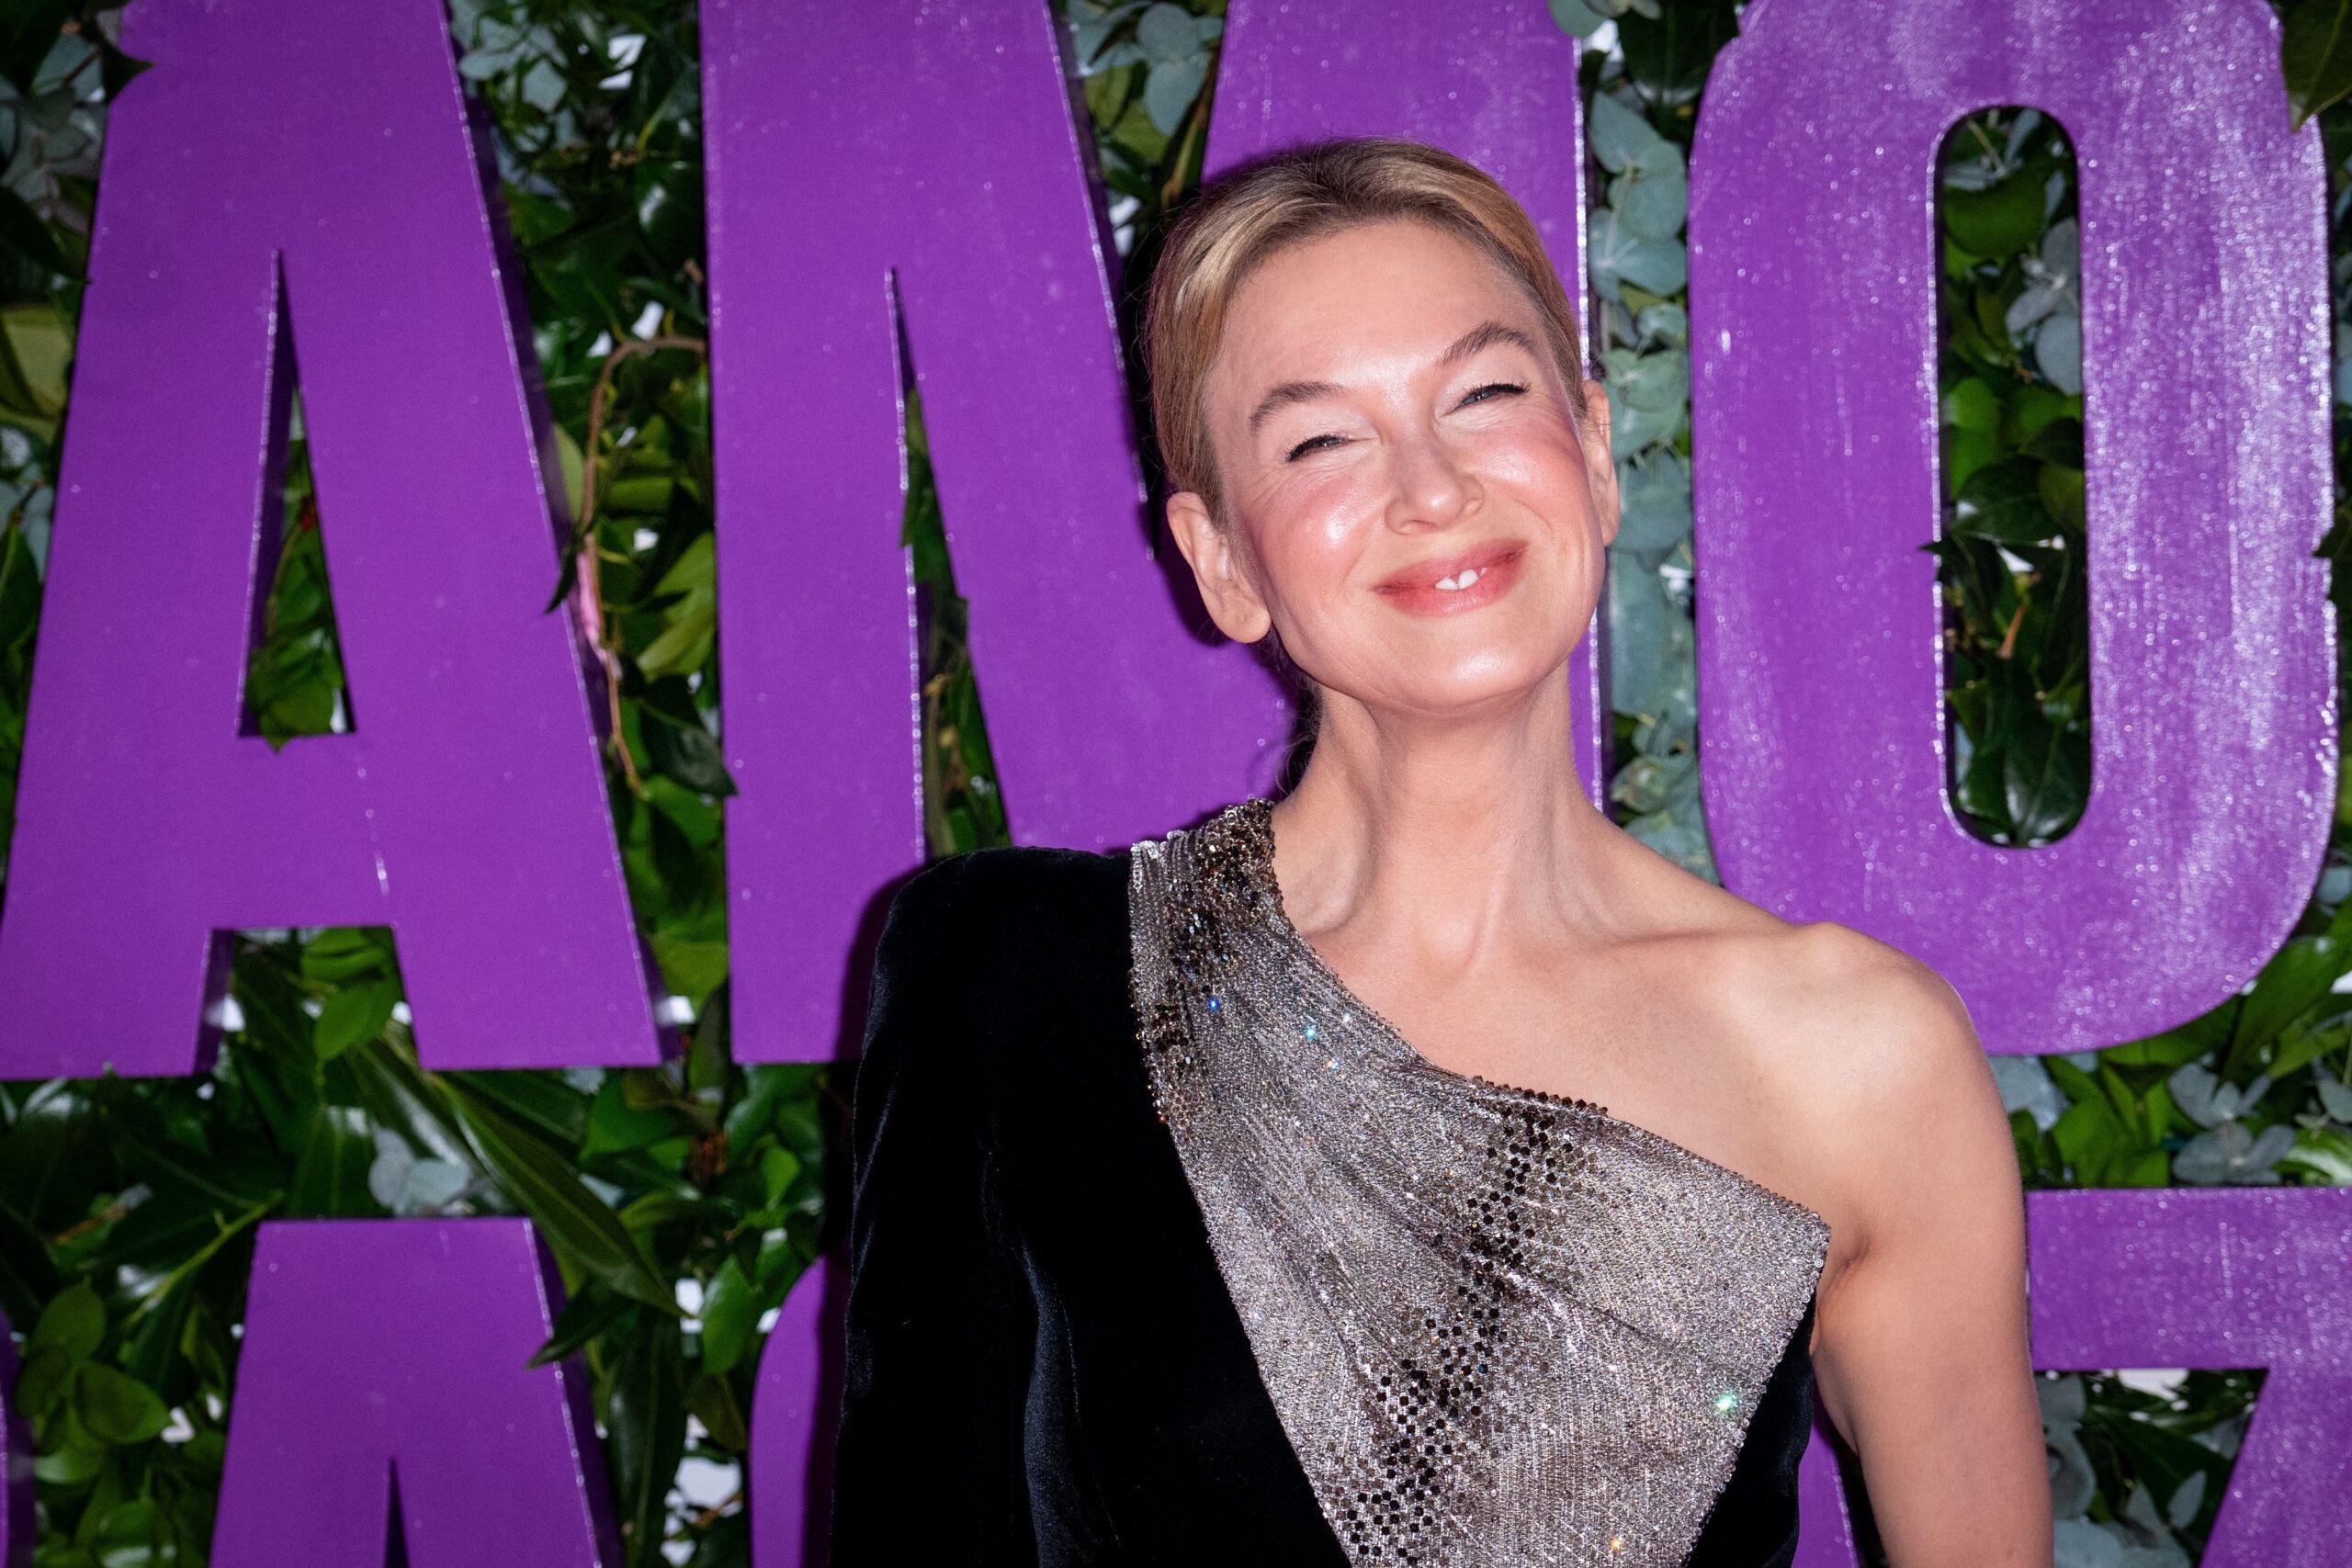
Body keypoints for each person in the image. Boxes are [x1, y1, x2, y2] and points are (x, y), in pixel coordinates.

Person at [827, 136, 2050, 1567]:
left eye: (1483, 395)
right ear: (1222, 559)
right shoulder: (1020, 979)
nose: (1431, 487)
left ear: (1592, 454)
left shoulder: (1854, 1055)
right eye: (1320, 439)